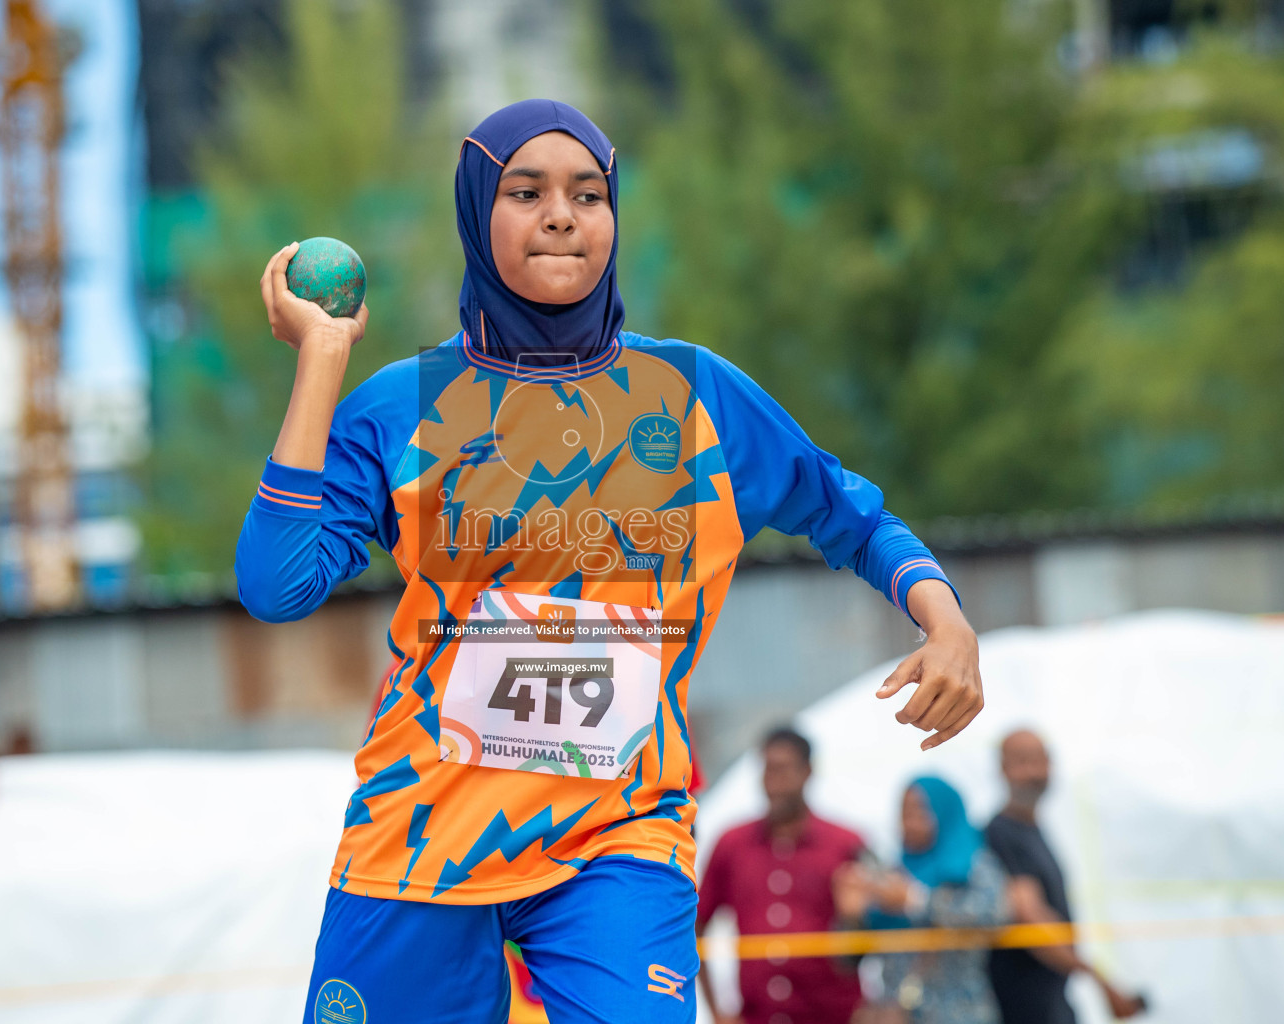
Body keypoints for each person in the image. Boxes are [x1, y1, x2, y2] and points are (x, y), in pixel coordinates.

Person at [236, 98, 985, 1024]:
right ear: (477, 212)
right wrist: (321, 357)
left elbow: (851, 514)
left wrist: (944, 617)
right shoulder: (405, 404)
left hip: (618, 838)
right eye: (526, 192)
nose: (561, 214)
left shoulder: (694, 394)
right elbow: (276, 586)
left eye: (588, 194)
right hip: (420, 835)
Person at [696, 726, 866, 1024]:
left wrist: (854, 917)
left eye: (783, 770)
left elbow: (881, 933)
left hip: (834, 1015)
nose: (774, 782)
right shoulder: (732, 845)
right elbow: (695, 927)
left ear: (807, 771)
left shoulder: (846, 844)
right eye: (767, 770)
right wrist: (717, 1011)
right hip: (757, 1016)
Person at [986, 730, 1144, 1023]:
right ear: (1003, 769)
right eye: (1021, 761)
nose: (1032, 771)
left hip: (1052, 998)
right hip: (1023, 1003)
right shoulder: (1001, 833)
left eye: (1039, 760)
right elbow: (1030, 916)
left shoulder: (1032, 828)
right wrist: (1098, 979)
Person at [833, 777, 1008, 1024]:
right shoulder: (893, 873)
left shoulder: (973, 865)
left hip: (960, 1014)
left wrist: (915, 900)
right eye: (904, 812)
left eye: (921, 811)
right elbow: (847, 963)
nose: (910, 822)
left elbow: (995, 913)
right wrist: (851, 917)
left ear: (944, 812)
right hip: (898, 1015)